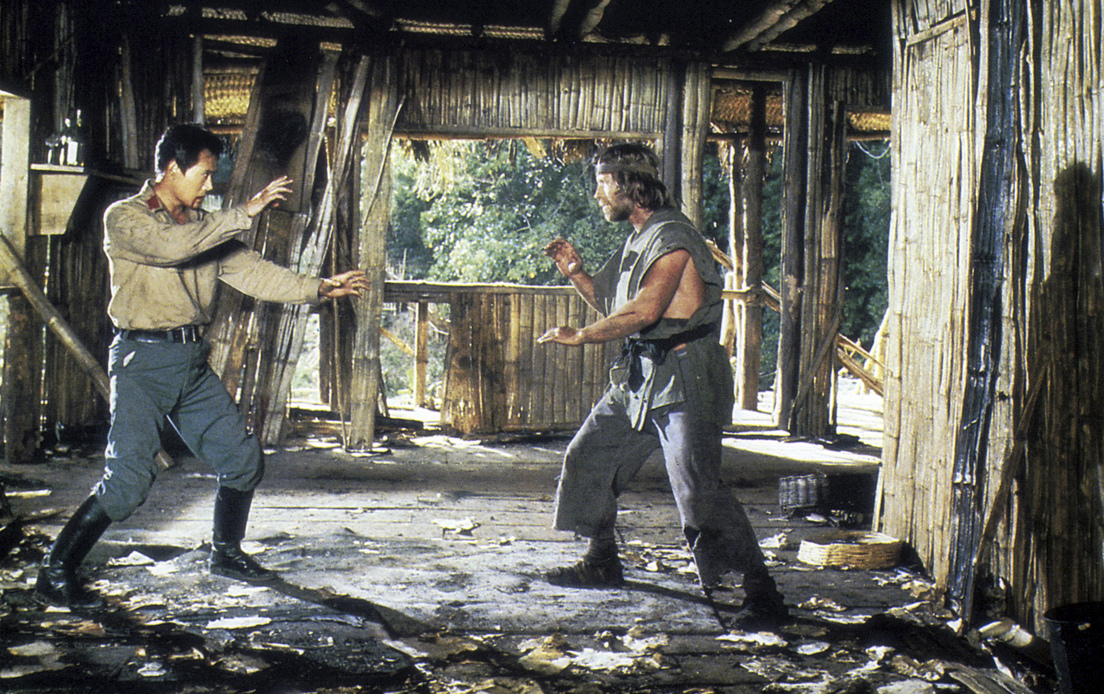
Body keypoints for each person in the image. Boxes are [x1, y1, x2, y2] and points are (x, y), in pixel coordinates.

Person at [35, 124, 370, 610]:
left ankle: (226, 553)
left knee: (243, 458)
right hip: (142, 363)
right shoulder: (125, 218)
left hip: (189, 362)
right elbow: (174, 248)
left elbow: (253, 273)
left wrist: (318, 287)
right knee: (128, 483)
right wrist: (245, 211)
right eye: (204, 174)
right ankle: (54, 571)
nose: (210, 186)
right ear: (173, 168)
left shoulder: (205, 225)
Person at [539, 143, 787, 626]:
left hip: (684, 373)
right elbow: (614, 304)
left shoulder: (673, 236)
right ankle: (601, 560)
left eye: (604, 184)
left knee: (698, 488)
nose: (597, 195)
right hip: (642, 374)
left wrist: (582, 336)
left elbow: (645, 311)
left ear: (631, 185)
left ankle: (762, 594)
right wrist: (577, 273)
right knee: (589, 455)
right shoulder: (640, 236)